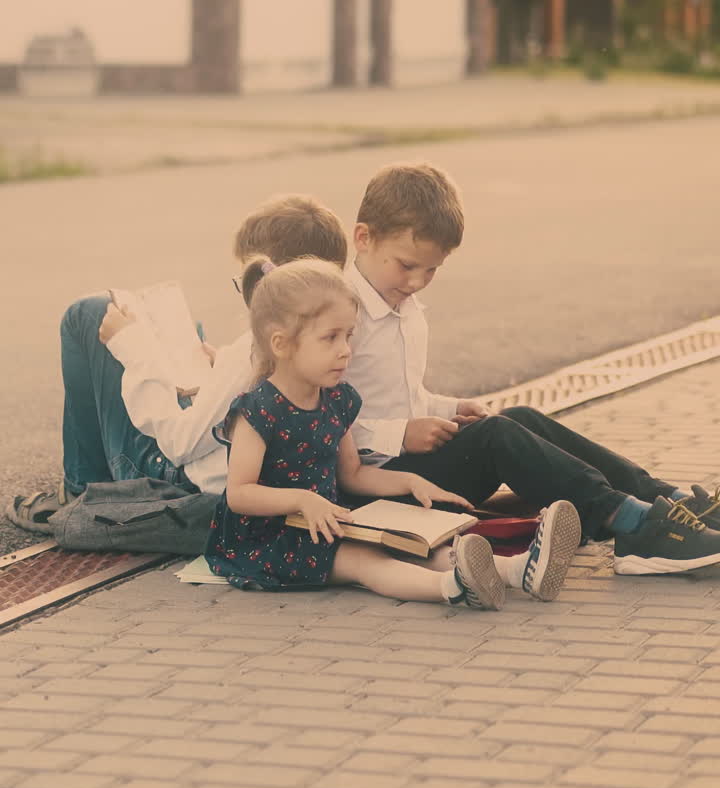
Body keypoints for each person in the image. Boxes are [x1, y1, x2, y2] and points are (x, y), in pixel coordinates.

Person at [344, 161, 720, 577]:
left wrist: (450, 408)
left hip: (412, 467)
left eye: (431, 269)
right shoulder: (340, 317)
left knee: (517, 417)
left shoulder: (403, 307)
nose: (416, 281)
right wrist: (399, 434)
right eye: (406, 265)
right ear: (363, 238)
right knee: (495, 437)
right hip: (372, 488)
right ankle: (632, 525)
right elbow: (314, 421)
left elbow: (401, 395)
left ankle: (671, 502)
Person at [206, 255, 581, 607]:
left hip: (326, 520)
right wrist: (303, 500)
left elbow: (352, 475)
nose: (345, 351)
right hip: (269, 538)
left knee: (416, 545)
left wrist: (408, 483)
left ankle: (519, 571)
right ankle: (452, 588)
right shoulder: (258, 411)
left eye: (349, 336)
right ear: (281, 344)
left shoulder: (335, 399)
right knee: (367, 562)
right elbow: (240, 494)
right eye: (330, 338)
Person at [7, 195, 349, 533]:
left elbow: (177, 444)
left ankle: (83, 490)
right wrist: (219, 373)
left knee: (88, 313)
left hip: (178, 480)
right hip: (228, 467)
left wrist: (132, 349)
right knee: (188, 335)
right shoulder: (332, 340)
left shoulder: (252, 353)